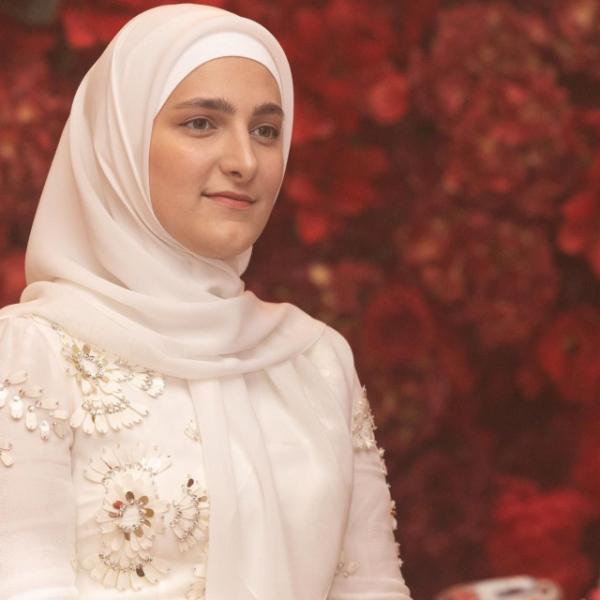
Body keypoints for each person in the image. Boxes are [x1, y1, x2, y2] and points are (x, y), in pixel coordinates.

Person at [0, 4, 412, 599]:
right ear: (120, 143)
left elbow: (371, 587)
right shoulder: (34, 352)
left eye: (266, 131)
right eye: (201, 123)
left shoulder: (315, 360)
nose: (244, 161)